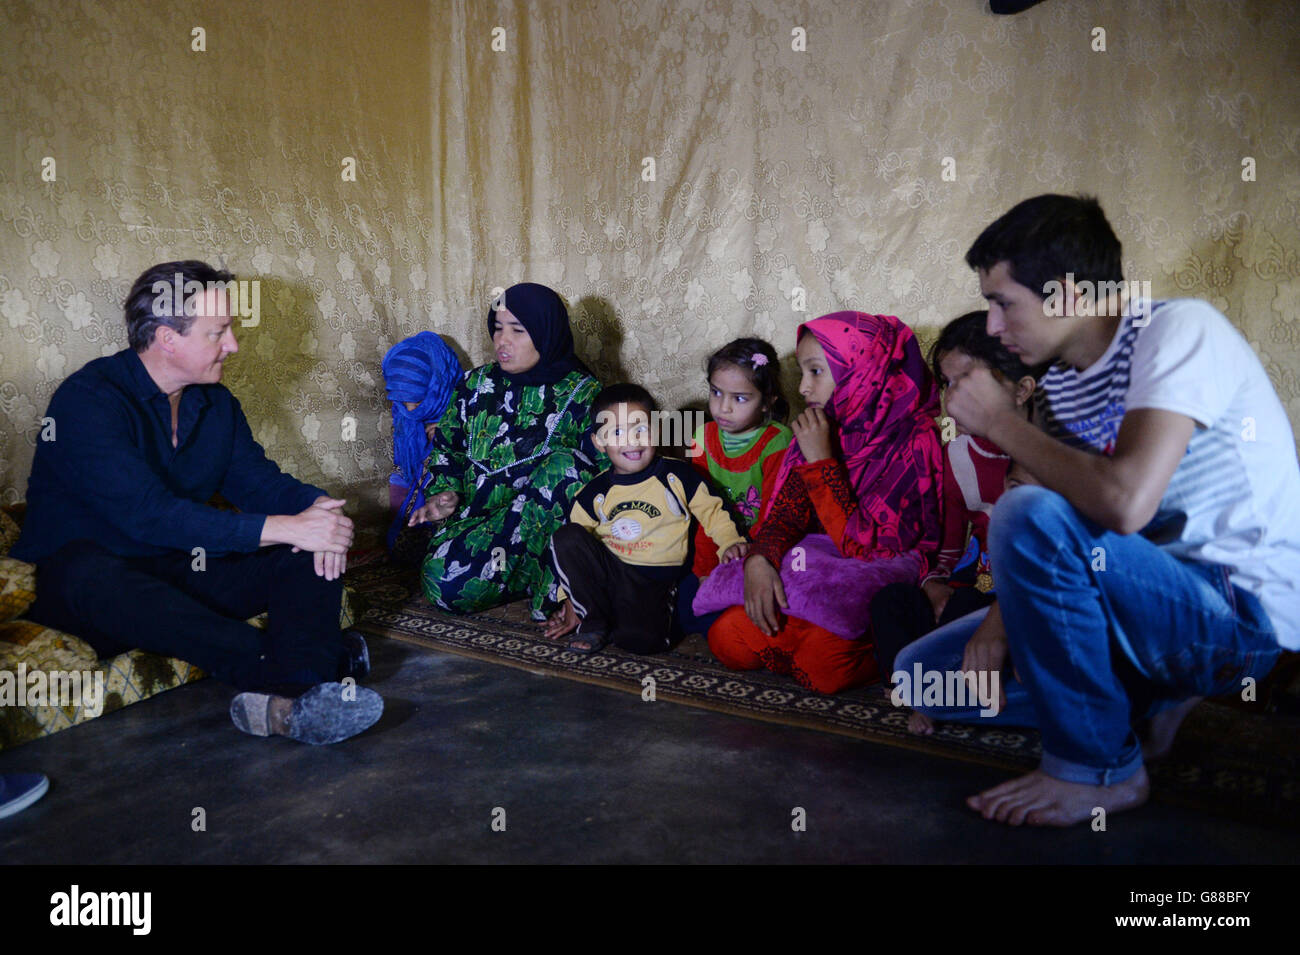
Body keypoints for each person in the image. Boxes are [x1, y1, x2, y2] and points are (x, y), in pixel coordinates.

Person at [930, 193, 1300, 826]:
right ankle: (1149, 706)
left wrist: (999, 422)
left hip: (1241, 614)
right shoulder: (1065, 382)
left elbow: (1124, 505)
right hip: (1140, 597)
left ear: (1070, 294)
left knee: (1023, 512)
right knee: (925, 674)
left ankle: (1098, 770)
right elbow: (1076, 533)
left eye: (1003, 303)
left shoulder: (1180, 331)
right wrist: (999, 621)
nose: (992, 326)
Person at [12, 261, 381, 745]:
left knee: (306, 553)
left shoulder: (215, 404)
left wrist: (321, 512)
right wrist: (287, 526)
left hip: (176, 567)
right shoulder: (87, 400)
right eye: (219, 332)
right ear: (167, 338)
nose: (232, 345)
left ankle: (286, 702)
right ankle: (305, 670)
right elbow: (149, 515)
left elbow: (260, 483)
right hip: (91, 588)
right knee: (90, 572)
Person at [696, 312, 944, 694]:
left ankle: (857, 645)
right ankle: (804, 636)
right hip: (816, 569)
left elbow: (867, 546)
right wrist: (761, 560)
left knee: (822, 669)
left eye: (816, 372)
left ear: (863, 371)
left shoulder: (913, 440)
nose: (804, 389)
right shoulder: (817, 425)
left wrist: (823, 464)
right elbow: (785, 515)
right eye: (802, 373)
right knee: (727, 641)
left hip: (873, 572)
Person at [409, 283, 603, 618]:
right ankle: (522, 578)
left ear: (547, 332)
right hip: (482, 529)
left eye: (518, 330)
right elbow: (447, 452)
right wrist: (444, 494)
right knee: (442, 582)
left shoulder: (586, 395)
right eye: (497, 329)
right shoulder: (474, 386)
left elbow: (605, 478)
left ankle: (557, 589)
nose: (502, 341)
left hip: (550, 538)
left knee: (567, 467)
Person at [869, 310, 1042, 679]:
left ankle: (940, 684)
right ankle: (915, 687)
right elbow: (949, 549)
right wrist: (934, 584)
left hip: (1027, 595)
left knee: (967, 608)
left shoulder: (1051, 455)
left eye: (967, 382)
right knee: (892, 601)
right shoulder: (959, 456)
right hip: (975, 583)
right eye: (948, 384)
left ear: (1022, 389)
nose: (952, 399)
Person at [544, 384, 749, 654]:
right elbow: (572, 558)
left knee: (639, 642)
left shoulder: (679, 476)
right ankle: (592, 620)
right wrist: (568, 600)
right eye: (617, 432)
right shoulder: (592, 494)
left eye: (641, 429)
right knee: (566, 536)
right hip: (612, 573)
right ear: (599, 442)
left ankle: (620, 619)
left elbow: (714, 513)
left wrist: (731, 542)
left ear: (657, 430)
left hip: (658, 583)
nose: (632, 441)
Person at [678, 337, 792, 635]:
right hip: (715, 545)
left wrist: (751, 558)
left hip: (763, 551)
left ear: (768, 401)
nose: (723, 408)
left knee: (762, 611)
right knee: (685, 614)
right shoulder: (702, 438)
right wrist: (704, 571)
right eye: (716, 392)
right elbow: (701, 512)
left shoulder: (777, 442)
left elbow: (774, 514)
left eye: (740, 398)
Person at [380, 331, 462, 553]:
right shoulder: (403, 414)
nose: (411, 411)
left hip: (455, 503)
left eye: (418, 401)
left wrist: (448, 437)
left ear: (438, 386)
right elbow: (402, 471)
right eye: (404, 401)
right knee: (401, 545)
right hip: (420, 504)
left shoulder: (467, 409)